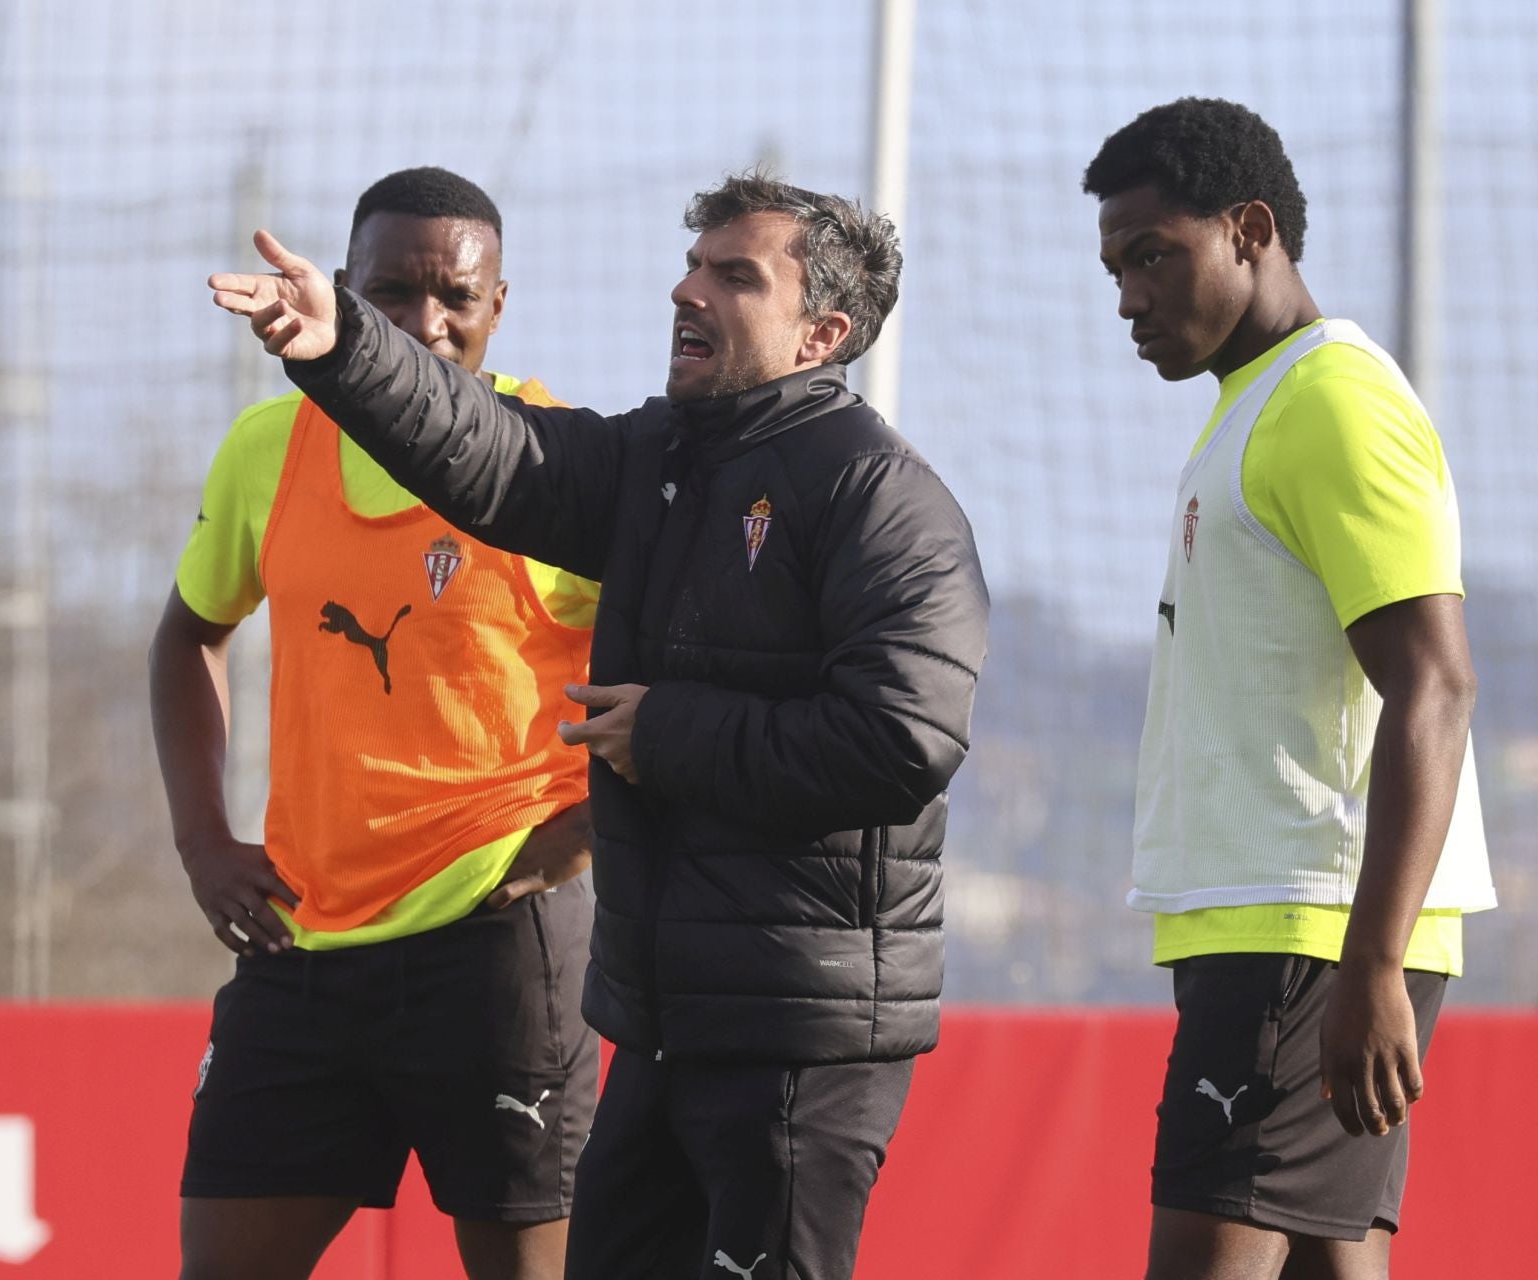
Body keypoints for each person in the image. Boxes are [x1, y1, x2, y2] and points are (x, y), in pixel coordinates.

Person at [208, 172, 989, 1280]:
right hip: (661, 1023)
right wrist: (346, 350)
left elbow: (903, 738)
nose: (687, 290)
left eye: (733, 275)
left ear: (824, 331)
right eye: (692, 263)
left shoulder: (883, 497)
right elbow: (489, 450)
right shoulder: (658, 461)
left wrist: (671, 733)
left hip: (801, 1038)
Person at [150, 166, 600, 1280]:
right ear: (346, 292)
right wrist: (204, 842)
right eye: (393, 293)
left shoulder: (559, 458)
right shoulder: (271, 446)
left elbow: (681, 669)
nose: (426, 323)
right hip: (304, 942)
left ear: (500, 305)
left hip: (498, 945)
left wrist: (587, 831)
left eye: (455, 296)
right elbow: (184, 637)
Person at [1085, 98, 1497, 1279]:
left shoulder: (1333, 399)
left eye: (1154, 254)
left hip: (1311, 931)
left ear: (1251, 230)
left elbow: (1437, 684)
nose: (1127, 294)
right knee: (1329, 1261)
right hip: (1284, 927)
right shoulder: (1254, 400)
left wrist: (1371, 963)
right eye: (1117, 266)